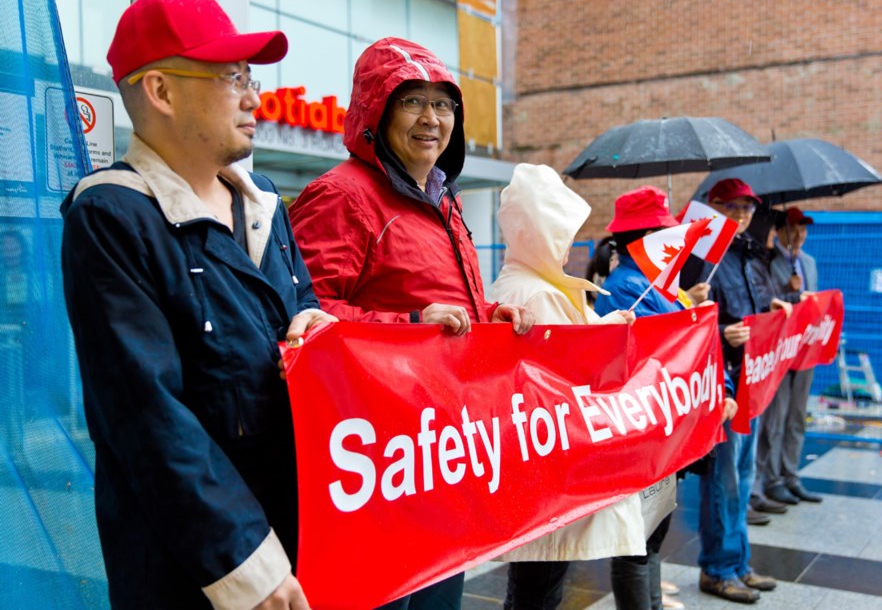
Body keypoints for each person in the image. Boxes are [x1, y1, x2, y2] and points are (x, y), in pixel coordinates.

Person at [60, 0, 336, 610]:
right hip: (198, 572)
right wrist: (245, 563)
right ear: (159, 91)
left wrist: (322, 331)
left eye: (251, 76)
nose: (253, 96)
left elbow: (305, 316)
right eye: (231, 76)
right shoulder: (111, 216)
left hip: (305, 540)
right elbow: (146, 416)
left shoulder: (264, 201)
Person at [288, 37, 534, 609]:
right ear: (376, 112)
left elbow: (444, 310)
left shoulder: (442, 201)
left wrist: (489, 318)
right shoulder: (342, 197)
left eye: (444, 104)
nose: (432, 119)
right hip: (374, 468)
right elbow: (300, 317)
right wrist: (412, 323)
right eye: (412, 102)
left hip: (437, 459)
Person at [486, 163, 639, 610]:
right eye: (561, 233)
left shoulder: (520, 284)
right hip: (552, 472)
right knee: (540, 586)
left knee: (536, 581)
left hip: (534, 464)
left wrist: (606, 325)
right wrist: (607, 337)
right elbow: (573, 375)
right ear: (539, 232)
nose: (570, 247)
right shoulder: (540, 294)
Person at [594, 186, 737, 610]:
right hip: (646, 433)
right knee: (638, 543)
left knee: (653, 537)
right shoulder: (626, 288)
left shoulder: (659, 285)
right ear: (643, 239)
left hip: (665, 429)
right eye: (664, 233)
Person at [681, 178, 790, 604]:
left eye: (747, 208)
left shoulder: (751, 252)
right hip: (721, 379)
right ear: (714, 207)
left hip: (752, 377)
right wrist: (723, 331)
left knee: (744, 479)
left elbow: (756, 306)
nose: (742, 215)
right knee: (724, 480)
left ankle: (738, 562)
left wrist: (775, 308)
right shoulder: (701, 256)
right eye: (733, 207)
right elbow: (687, 317)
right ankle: (718, 568)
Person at [757, 208, 823, 505]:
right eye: (794, 229)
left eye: (803, 230)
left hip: (804, 349)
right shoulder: (769, 262)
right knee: (777, 417)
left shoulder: (808, 262)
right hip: (780, 350)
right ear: (780, 231)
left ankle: (790, 474)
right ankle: (771, 479)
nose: (799, 236)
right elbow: (767, 302)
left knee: (798, 415)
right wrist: (789, 291)